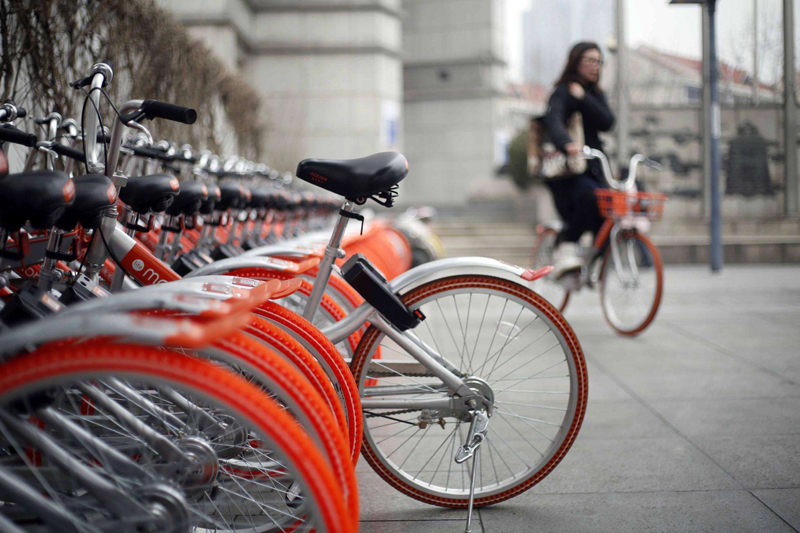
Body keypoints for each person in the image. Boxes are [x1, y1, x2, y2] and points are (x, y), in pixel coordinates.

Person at [541, 41, 615, 278]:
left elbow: (607, 122)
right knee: (589, 198)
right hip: (568, 171)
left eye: (599, 61)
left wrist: (584, 98)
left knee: (610, 212)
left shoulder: (594, 94)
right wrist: (567, 144)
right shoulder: (563, 91)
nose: (596, 66)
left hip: (593, 167)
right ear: (576, 62)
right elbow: (553, 121)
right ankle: (565, 245)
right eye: (590, 61)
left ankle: (592, 265)